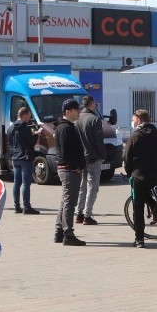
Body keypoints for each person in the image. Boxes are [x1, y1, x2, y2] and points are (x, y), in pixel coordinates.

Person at [123, 109, 157, 248]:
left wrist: (129, 172)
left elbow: (127, 157)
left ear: (139, 120)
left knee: (138, 208)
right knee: (148, 193)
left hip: (138, 175)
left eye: (133, 118)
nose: (132, 121)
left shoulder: (135, 135)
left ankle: (139, 239)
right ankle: (154, 206)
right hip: (154, 174)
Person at [53, 99, 86, 246]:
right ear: (68, 112)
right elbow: (67, 152)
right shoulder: (65, 128)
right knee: (69, 202)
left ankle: (59, 231)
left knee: (65, 201)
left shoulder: (65, 126)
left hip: (67, 168)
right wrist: (75, 166)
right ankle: (68, 233)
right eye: (76, 109)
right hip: (68, 169)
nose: (79, 112)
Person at [75, 95, 107, 225]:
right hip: (93, 157)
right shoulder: (94, 119)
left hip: (81, 158)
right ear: (92, 104)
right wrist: (103, 155)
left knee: (82, 186)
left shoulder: (76, 120)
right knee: (93, 187)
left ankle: (79, 213)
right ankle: (87, 215)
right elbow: (99, 141)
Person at [6, 106, 40, 214]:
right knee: (26, 183)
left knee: (17, 182)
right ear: (24, 115)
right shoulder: (25, 127)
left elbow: (9, 143)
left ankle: (17, 206)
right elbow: (31, 142)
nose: (29, 119)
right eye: (29, 116)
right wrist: (36, 135)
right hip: (25, 157)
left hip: (15, 157)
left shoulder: (11, 128)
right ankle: (27, 207)